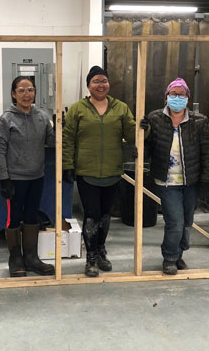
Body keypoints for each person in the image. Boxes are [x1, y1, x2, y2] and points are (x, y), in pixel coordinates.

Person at [63, 65, 149, 277]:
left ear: (109, 84)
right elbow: (67, 139)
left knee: (105, 216)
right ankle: (91, 257)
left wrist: (143, 128)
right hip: (87, 172)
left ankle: (101, 251)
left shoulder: (120, 108)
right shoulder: (77, 109)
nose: (100, 85)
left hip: (112, 171)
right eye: (96, 81)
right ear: (88, 86)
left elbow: (132, 137)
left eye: (104, 81)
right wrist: (67, 165)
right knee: (91, 216)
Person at [145, 78, 209, 275]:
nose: (177, 98)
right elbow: (147, 148)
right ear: (166, 97)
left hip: (190, 180)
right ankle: (169, 258)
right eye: (173, 94)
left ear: (188, 98)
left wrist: (207, 179)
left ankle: (178, 254)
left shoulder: (199, 121)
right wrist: (142, 133)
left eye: (181, 95)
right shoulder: (155, 118)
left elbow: (208, 151)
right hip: (166, 181)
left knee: (186, 222)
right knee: (175, 221)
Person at [0, 76, 56, 277]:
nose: (26, 94)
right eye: (21, 90)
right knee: (14, 219)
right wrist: (4, 178)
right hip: (15, 179)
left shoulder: (42, 116)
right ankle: (15, 258)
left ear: (35, 92)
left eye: (30, 89)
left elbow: (52, 141)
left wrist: (63, 126)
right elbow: (0, 151)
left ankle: (31, 258)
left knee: (31, 216)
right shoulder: (6, 119)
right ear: (13, 94)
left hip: (37, 176)